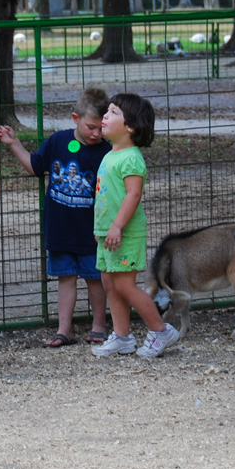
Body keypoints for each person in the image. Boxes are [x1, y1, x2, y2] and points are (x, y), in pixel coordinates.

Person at [0, 87, 111, 347]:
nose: (96, 134)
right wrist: (15, 143)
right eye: (91, 127)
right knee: (65, 278)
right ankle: (64, 329)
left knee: (96, 279)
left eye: (101, 128)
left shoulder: (106, 152)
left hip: (92, 230)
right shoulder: (58, 141)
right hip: (60, 228)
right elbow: (35, 166)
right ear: (75, 119)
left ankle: (99, 325)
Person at [89, 93, 181, 359]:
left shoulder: (131, 159)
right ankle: (122, 337)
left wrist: (116, 227)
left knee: (125, 286)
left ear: (130, 126)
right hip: (110, 234)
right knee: (109, 283)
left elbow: (133, 195)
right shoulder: (110, 156)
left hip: (125, 233)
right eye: (107, 111)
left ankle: (160, 330)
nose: (105, 116)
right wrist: (102, 229)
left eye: (113, 112)